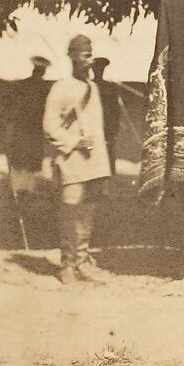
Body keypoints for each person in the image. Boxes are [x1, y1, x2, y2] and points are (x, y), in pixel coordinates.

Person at [43, 35, 111, 285]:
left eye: (90, 53)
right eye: (84, 54)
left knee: (88, 210)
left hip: (94, 160)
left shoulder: (93, 88)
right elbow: (49, 125)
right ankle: (67, 264)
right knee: (71, 209)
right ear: (71, 56)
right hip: (71, 158)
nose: (89, 59)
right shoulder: (60, 87)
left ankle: (82, 260)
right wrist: (73, 142)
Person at [6, 55, 52, 177]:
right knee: (28, 158)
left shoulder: (24, 84)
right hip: (30, 126)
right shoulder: (42, 87)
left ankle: (22, 188)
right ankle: (24, 188)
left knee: (25, 158)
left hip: (29, 127)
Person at [91, 57, 126, 176]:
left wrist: (113, 128)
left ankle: (105, 187)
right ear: (92, 69)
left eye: (100, 69)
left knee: (107, 157)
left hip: (107, 127)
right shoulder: (88, 86)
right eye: (96, 68)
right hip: (91, 126)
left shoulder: (110, 87)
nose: (98, 71)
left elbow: (116, 110)